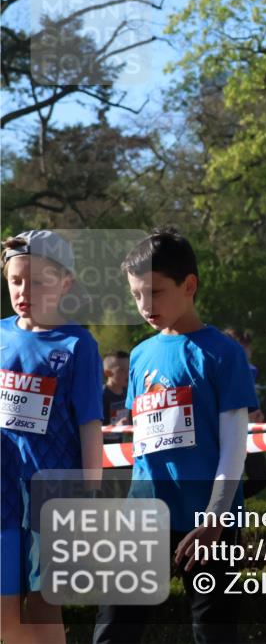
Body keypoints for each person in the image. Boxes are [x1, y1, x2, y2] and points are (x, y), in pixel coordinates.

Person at [94, 228, 258, 644]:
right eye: (136, 295)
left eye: (156, 292)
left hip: (209, 521)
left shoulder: (223, 352)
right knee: (113, 628)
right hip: (144, 514)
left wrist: (215, 519)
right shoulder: (141, 355)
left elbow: (235, 447)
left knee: (213, 631)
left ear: (189, 286)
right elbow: (146, 444)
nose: (146, 305)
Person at [1, 231, 104, 644]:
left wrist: (90, 496)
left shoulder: (79, 344)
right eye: (16, 281)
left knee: (45, 613)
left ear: (66, 283)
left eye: (39, 281)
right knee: (5, 619)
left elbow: (90, 425)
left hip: (54, 494)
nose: (25, 291)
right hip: (2, 492)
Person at [222, 328, 266, 500]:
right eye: (246, 348)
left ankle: (230, 503)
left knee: (260, 477)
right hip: (231, 433)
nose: (250, 352)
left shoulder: (248, 370)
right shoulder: (237, 368)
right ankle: (229, 505)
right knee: (259, 476)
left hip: (245, 431)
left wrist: (254, 412)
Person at [102, 351, 130, 425]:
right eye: (122, 370)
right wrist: (116, 426)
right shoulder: (101, 396)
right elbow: (96, 427)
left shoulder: (128, 392)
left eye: (129, 369)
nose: (127, 374)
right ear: (108, 373)